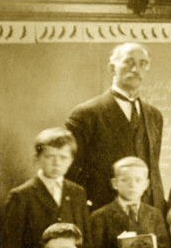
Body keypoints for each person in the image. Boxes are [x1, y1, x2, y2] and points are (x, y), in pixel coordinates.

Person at [66, 42, 164, 211]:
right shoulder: (86, 114)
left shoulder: (154, 115)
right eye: (129, 62)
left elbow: (153, 167)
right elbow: (73, 175)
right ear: (112, 69)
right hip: (105, 213)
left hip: (149, 212)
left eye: (142, 64)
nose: (135, 69)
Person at [1, 127, 89, 248]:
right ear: (37, 159)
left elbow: (86, 235)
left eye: (63, 158)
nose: (57, 164)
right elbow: (10, 245)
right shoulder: (21, 195)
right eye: (49, 157)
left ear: (71, 160)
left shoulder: (77, 192)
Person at [85, 157, 169, 248]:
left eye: (138, 180)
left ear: (146, 184)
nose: (132, 185)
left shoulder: (154, 214)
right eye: (125, 180)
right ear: (114, 183)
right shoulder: (99, 216)